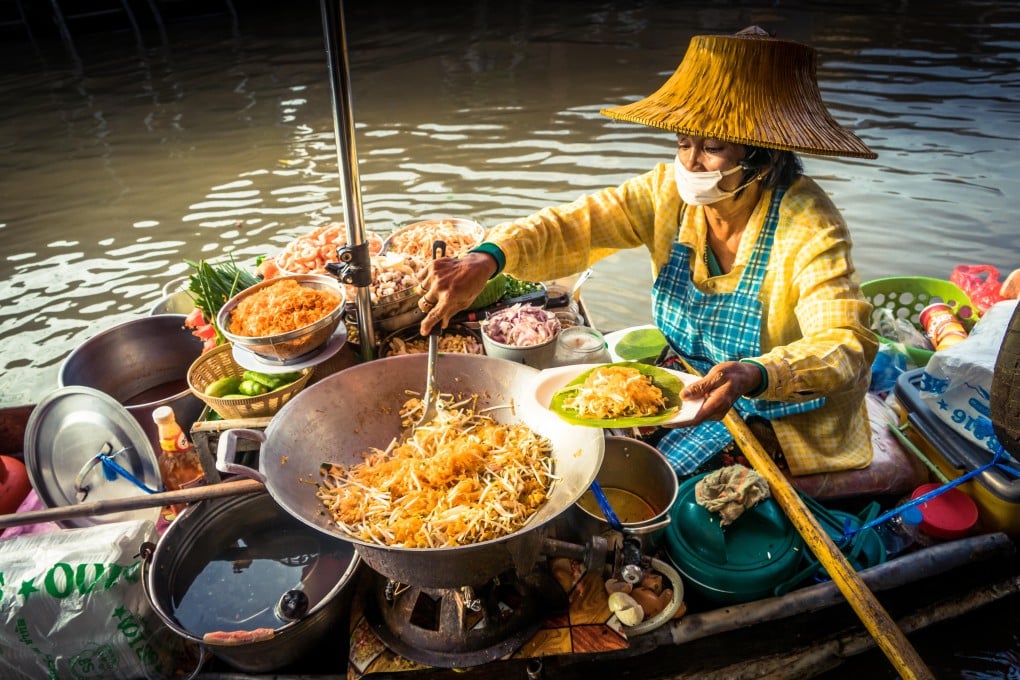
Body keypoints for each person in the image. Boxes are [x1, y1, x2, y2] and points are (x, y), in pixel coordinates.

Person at [416, 26, 879, 478]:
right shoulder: (667, 194)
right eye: (683, 143)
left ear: (765, 157)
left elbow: (845, 343)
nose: (691, 162)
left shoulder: (809, 224)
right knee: (575, 446)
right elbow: (577, 223)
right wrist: (489, 258)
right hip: (689, 378)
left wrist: (757, 373)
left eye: (713, 147)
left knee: (660, 484)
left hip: (776, 410)